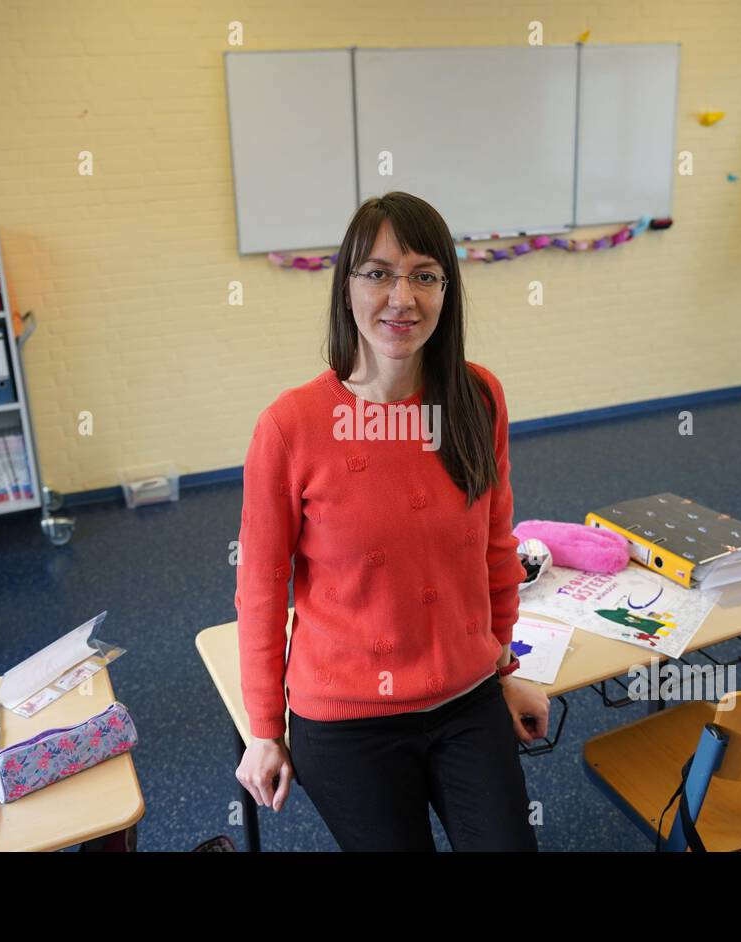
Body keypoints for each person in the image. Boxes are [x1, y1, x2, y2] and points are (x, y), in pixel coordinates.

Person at [233, 191, 547, 851]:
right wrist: (265, 730)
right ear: (347, 287)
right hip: (349, 720)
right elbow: (261, 587)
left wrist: (503, 663)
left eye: (425, 275)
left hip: (465, 698)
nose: (401, 296)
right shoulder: (289, 426)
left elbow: (496, 548)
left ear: (446, 291)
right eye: (377, 272)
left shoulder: (477, 397)